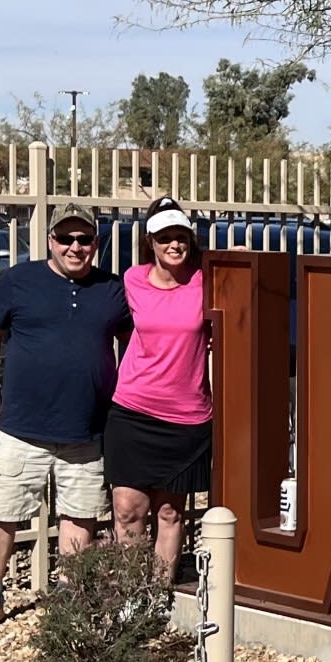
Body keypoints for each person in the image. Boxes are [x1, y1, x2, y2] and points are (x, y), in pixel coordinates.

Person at [0, 202, 132, 631]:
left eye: (84, 239)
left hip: (86, 430)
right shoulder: (20, 281)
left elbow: (135, 344)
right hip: (22, 427)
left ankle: (70, 599)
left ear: (96, 242)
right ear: (50, 241)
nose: (75, 247)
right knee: (2, 510)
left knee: (79, 513)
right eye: (66, 238)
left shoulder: (113, 289)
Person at [104, 196, 212, 580]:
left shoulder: (207, 280)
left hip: (186, 417)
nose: (174, 244)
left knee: (170, 512)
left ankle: (156, 598)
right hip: (133, 411)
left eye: (180, 236)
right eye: (164, 237)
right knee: (128, 508)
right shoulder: (133, 279)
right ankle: (132, 596)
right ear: (150, 241)